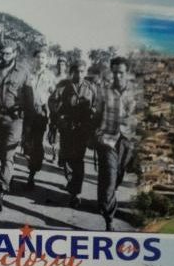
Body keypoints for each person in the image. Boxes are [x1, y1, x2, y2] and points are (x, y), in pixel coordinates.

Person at [0, 39, 33, 212]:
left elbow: (29, 100)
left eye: (8, 53)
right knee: (2, 153)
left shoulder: (23, 72)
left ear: (15, 53)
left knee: (8, 155)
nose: (4, 56)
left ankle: (1, 192)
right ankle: (7, 176)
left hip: (15, 120)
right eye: (2, 53)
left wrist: (29, 125)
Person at [92, 56, 137, 231]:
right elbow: (97, 114)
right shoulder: (104, 92)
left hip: (126, 141)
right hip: (107, 140)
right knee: (109, 179)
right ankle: (108, 218)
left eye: (121, 73)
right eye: (115, 72)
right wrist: (95, 134)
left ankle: (106, 199)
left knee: (117, 177)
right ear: (111, 72)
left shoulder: (134, 94)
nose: (118, 76)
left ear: (127, 73)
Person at [49, 59, 97, 209]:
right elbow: (52, 101)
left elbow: (96, 105)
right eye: (76, 71)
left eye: (82, 71)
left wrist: (92, 116)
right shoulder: (63, 87)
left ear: (85, 72)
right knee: (67, 157)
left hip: (83, 128)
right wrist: (58, 117)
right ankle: (71, 183)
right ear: (72, 73)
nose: (79, 74)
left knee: (78, 159)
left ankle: (76, 193)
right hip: (67, 128)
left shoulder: (91, 88)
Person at [22, 47, 56, 190]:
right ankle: (31, 162)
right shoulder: (27, 74)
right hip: (27, 113)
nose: (40, 60)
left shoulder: (50, 76)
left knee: (37, 143)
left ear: (47, 60)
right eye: (38, 57)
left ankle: (32, 174)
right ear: (33, 59)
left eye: (43, 58)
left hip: (41, 113)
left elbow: (54, 96)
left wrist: (51, 112)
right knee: (26, 143)